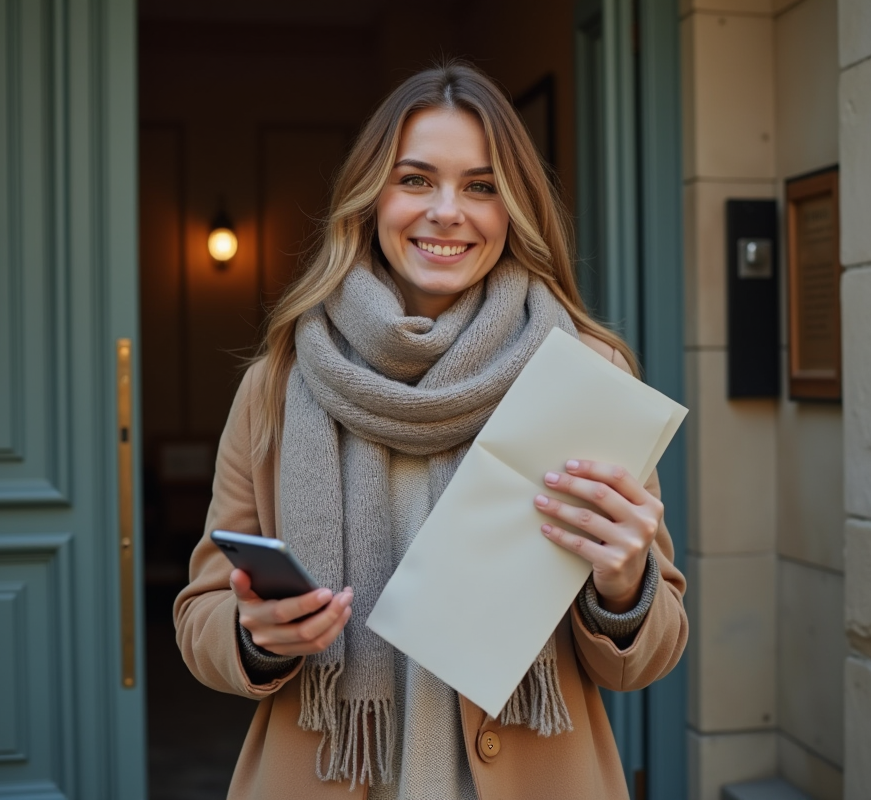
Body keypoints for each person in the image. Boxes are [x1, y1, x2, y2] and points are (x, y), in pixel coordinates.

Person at [174, 60, 688, 800]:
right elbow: (200, 617)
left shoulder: (584, 376)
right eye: (415, 179)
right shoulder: (279, 384)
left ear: (513, 208)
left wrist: (624, 583)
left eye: (481, 186)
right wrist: (255, 636)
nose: (447, 211)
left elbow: (644, 660)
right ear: (370, 198)